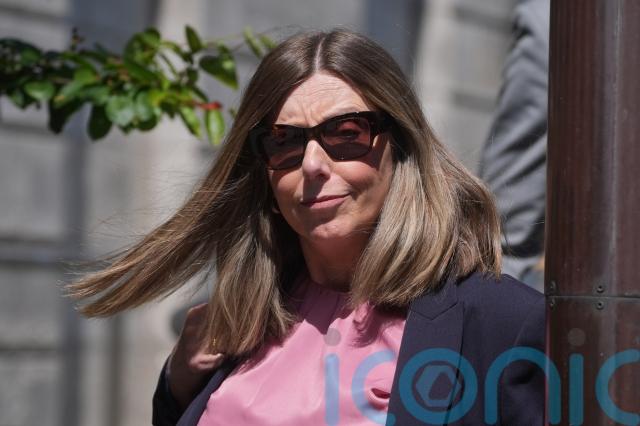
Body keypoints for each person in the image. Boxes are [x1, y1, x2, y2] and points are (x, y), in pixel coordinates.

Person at [68, 29, 545, 425]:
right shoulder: (236, 321)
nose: (313, 164)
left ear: (400, 148)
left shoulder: (504, 322)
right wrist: (177, 384)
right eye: (284, 141)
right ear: (264, 172)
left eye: (347, 133)